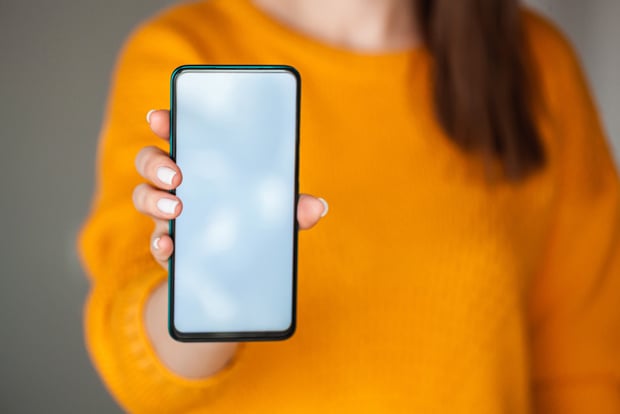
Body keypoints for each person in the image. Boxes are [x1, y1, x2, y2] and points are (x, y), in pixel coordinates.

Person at [78, 0, 620, 412]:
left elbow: (587, 374)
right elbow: (138, 376)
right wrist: (211, 293)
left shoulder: (535, 66)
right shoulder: (184, 50)